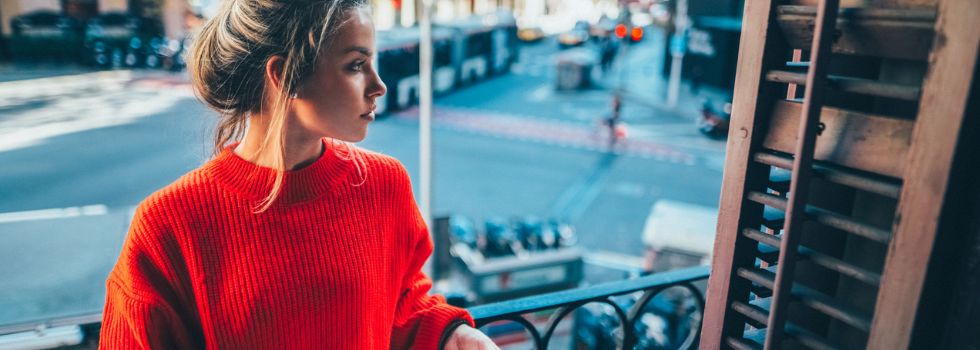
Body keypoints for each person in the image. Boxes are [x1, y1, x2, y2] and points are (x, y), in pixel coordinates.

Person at [98, 1, 498, 349]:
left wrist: (449, 333)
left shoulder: (385, 183)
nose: (379, 86)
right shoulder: (170, 222)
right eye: (356, 65)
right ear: (283, 74)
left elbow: (400, 303)